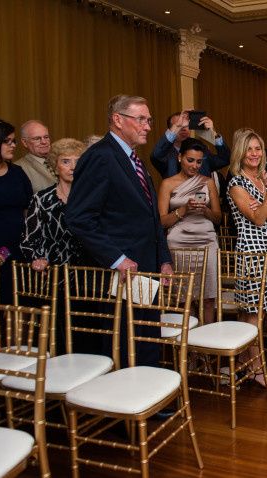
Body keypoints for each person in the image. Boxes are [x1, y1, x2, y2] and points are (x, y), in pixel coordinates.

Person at [65, 94, 172, 367]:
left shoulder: (134, 159)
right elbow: (79, 218)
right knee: (128, 340)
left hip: (146, 267)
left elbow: (150, 215)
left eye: (149, 120)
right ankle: (130, 402)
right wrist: (116, 258)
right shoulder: (100, 156)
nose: (148, 126)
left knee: (146, 334)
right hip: (120, 271)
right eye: (141, 119)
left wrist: (164, 259)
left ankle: (148, 398)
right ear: (118, 120)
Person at [226, 128, 267, 386]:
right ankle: (257, 370)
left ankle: (241, 366)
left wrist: (263, 202)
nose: (254, 153)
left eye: (258, 148)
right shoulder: (236, 183)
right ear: (241, 152)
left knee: (253, 312)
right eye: (249, 149)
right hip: (250, 253)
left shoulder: (262, 181)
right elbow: (259, 219)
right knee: (253, 314)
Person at [158, 138, 221, 325]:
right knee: (185, 299)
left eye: (199, 161)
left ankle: (208, 346)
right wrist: (183, 210)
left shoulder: (208, 182)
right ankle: (191, 349)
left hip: (207, 242)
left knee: (209, 298)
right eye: (190, 160)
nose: (195, 165)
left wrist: (206, 211)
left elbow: (218, 218)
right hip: (179, 245)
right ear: (180, 157)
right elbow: (161, 222)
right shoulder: (167, 184)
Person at [21, 138, 86, 271]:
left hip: (88, 274)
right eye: (66, 161)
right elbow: (28, 241)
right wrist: (37, 259)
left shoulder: (92, 198)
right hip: (53, 274)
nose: (73, 167)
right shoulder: (41, 199)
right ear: (55, 167)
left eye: (78, 161)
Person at [0, 119, 33, 305]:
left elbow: (29, 212)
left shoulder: (17, 172)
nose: (13, 146)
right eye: (7, 141)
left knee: (15, 309)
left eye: (14, 141)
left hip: (17, 251)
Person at [150, 110, 230, 179]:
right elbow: (156, 156)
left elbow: (225, 159)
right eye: (179, 126)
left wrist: (214, 134)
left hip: (201, 194)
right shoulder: (165, 153)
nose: (184, 129)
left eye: (187, 126)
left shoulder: (200, 147)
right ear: (171, 129)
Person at [15, 120, 56, 193]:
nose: (44, 142)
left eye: (46, 137)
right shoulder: (17, 169)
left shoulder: (61, 160)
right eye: (37, 138)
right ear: (25, 142)